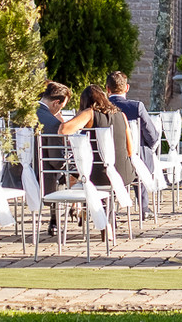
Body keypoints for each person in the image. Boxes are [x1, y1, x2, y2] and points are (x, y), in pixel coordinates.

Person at [60, 85, 135, 240]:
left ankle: (102, 220)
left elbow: (64, 129)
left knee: (79, 172)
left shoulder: (90, 114)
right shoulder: (122, 116)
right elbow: (130, 150)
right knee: (98, 176)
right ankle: (107, 217)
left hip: (98, 174)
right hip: (123, 173)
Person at [107, 71, 161, 220]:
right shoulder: (136, 107)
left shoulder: (100, 108)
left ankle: (110, 207)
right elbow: (152, 134)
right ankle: (144, 207)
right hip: (135, 158)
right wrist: (149, 146)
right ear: (127, 88)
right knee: (143, 150)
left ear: (107, 89)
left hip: (108, 158)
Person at [36, 81, 72, 238]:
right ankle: (56, 220)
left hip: (16, 174)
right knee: (67, 172)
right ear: (56, 103)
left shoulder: (18, 115)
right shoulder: (53, 123)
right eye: (61, 107)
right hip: (43, 177)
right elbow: (57, 160)